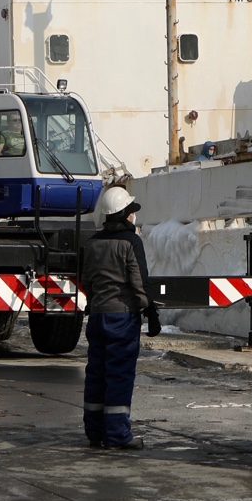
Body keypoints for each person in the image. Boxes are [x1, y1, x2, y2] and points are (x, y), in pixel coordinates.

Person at [79, 186, 161, 449]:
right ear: (125, 214)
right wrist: (150, 311)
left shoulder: (93, 242)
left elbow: (87, 280)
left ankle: (95, 432)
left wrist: (95, 303)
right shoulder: (130, 242)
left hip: (98, 316)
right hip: (122, 319)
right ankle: (117, 435)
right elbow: (139, 281)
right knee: (119, 375)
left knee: (96, 374)